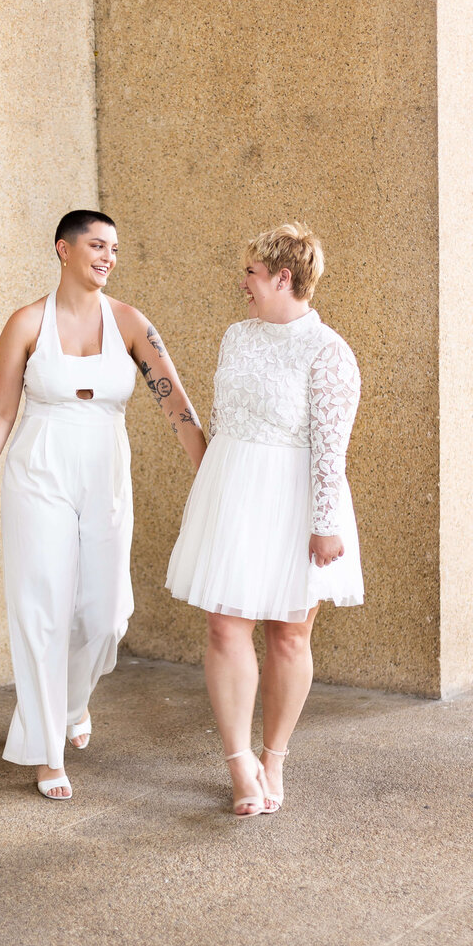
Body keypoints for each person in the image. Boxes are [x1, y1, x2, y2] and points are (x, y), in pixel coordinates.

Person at [0, 210, 206, 799]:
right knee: (41, 607)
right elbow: (0, 409)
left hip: (105, 473)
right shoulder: (25, 323)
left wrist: (211, 472)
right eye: (97, 245)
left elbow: (176, 405)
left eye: (115, 248)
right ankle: (48, 755)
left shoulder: (130, 323)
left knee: (103, 616)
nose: (108, 256)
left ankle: (71, 706)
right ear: (63, 250)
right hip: (38, 471)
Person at [166, 222, 363, 817]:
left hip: (297, 498)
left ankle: (274, 757)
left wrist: (326, 523)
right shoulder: (237, 336)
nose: (242, 282)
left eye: (251, 272)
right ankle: (239, 765)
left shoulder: (329, 350)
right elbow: (224, 419)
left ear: (284, 277)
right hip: (234, 491)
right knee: (226, 625)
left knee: (290, 632)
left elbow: (332, 446)